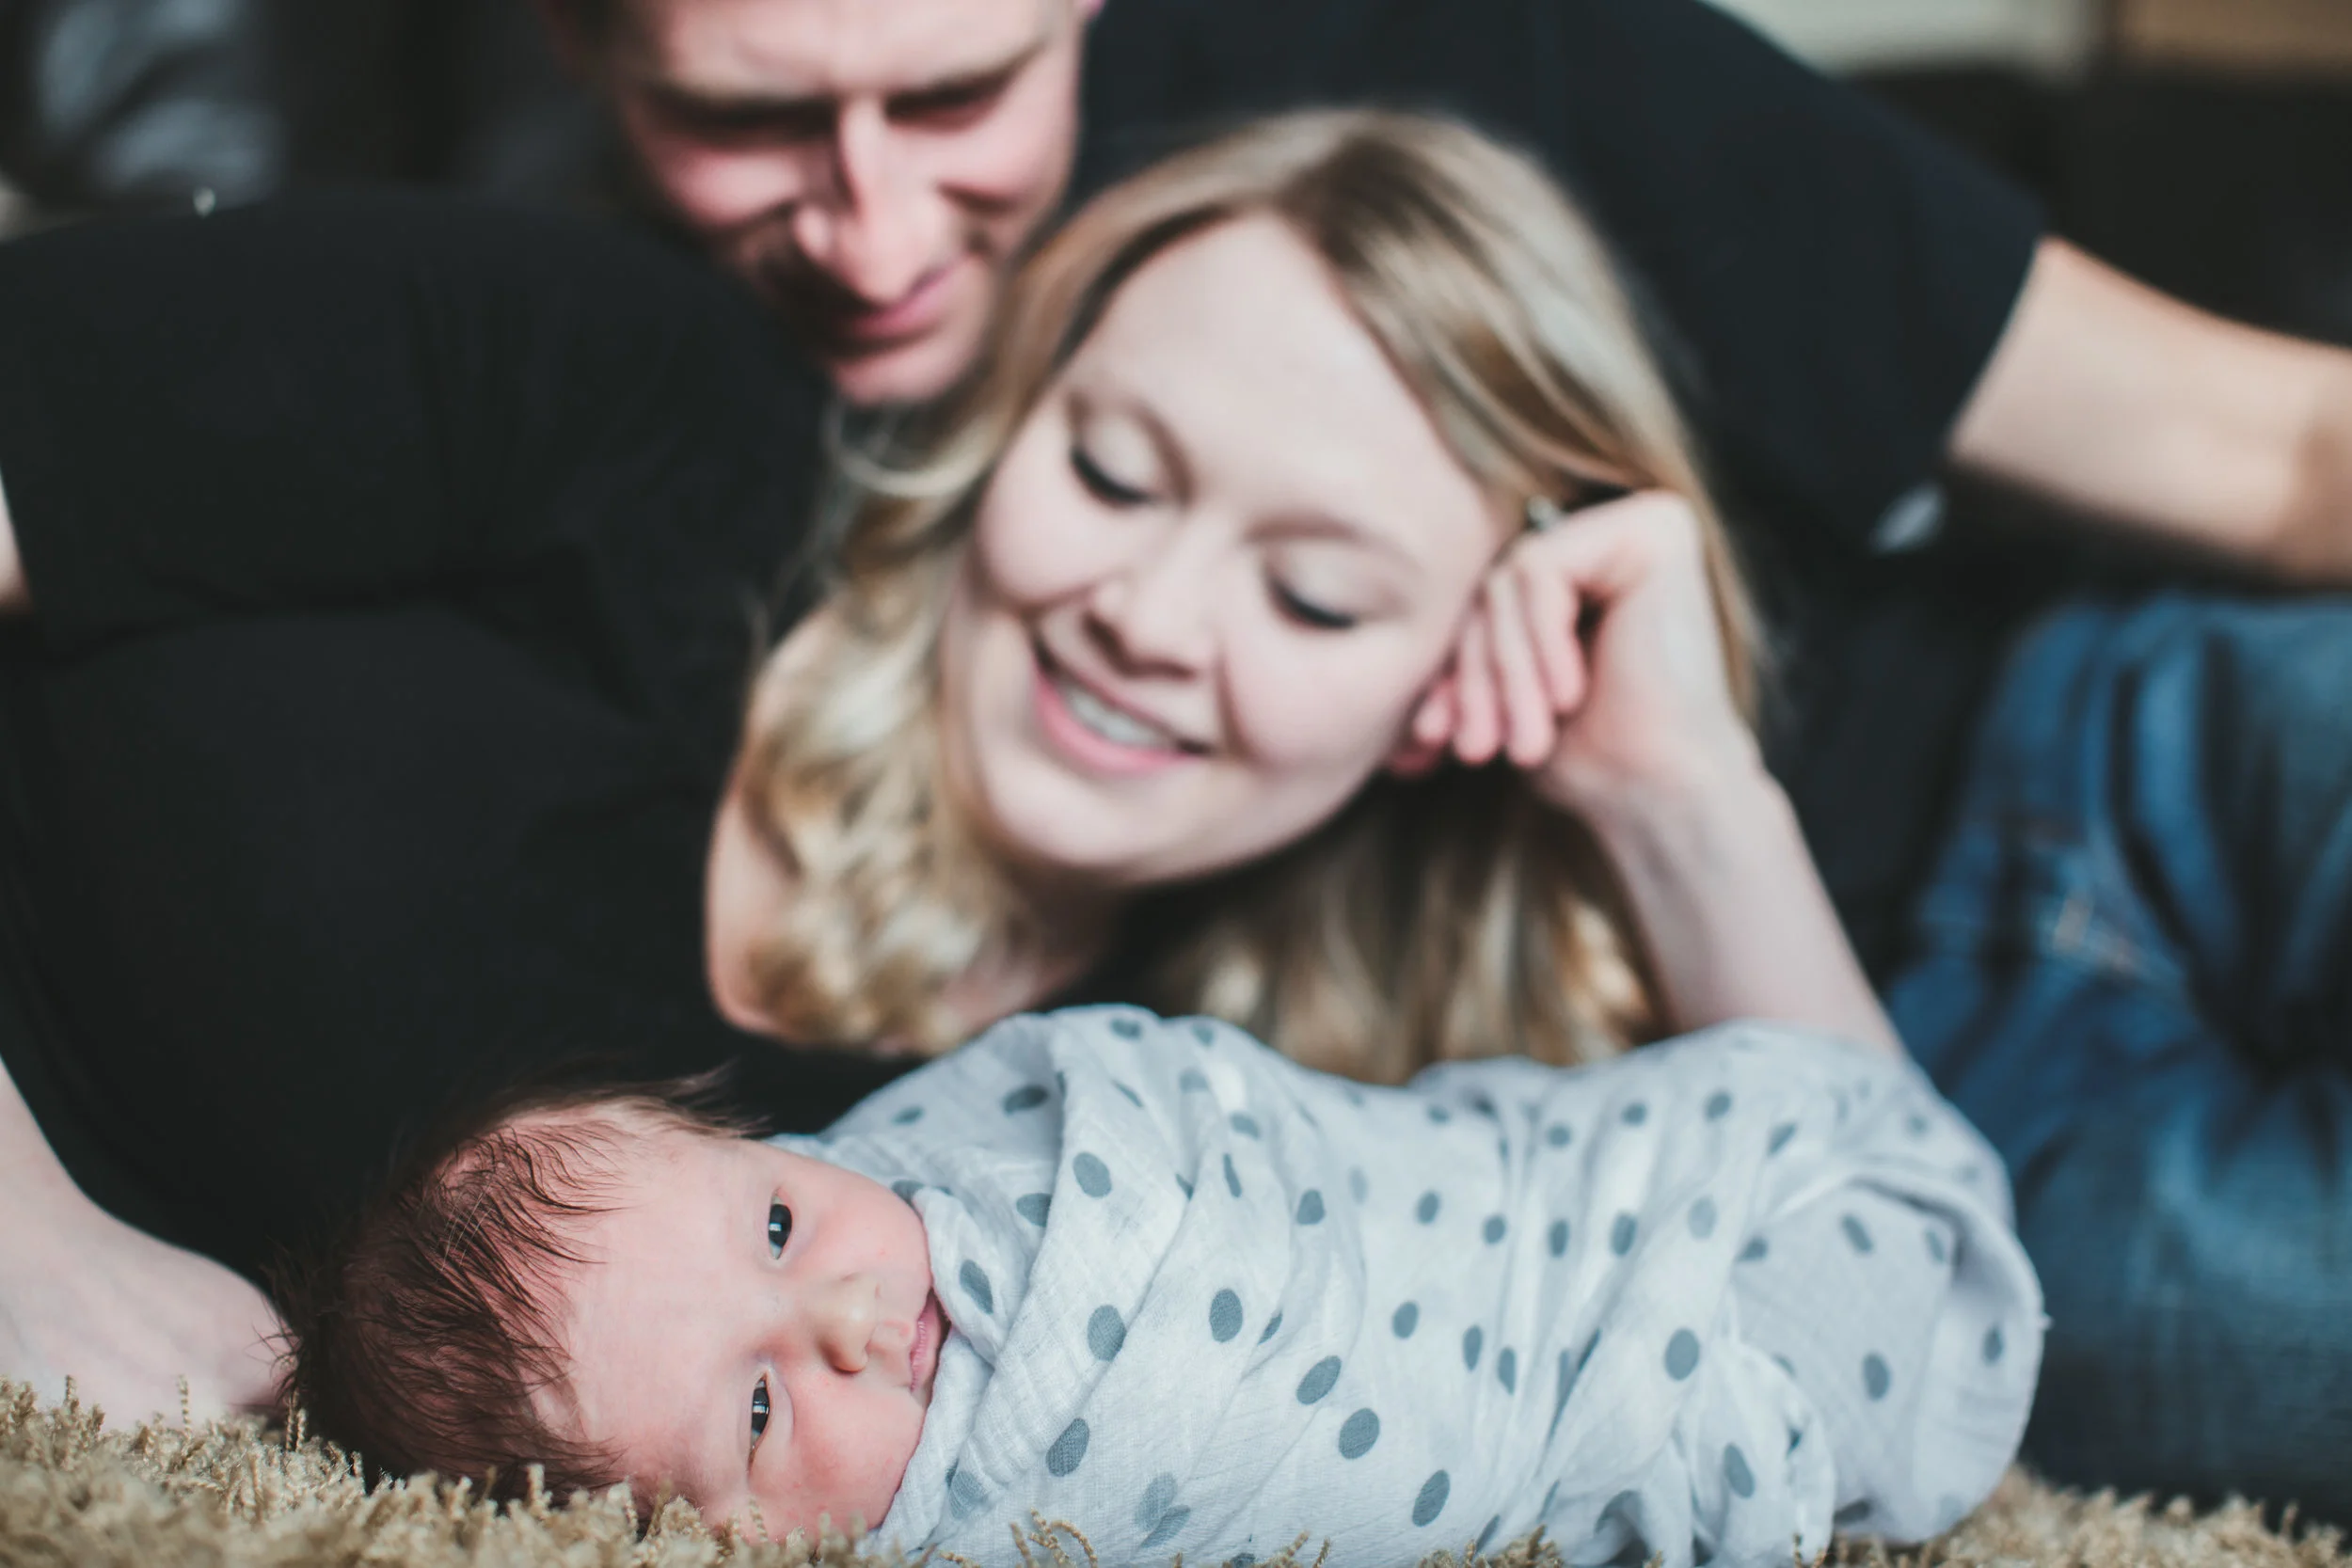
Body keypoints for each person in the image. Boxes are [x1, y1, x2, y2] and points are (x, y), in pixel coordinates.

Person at [0, 107, 1879, 1433]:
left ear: (1444, 688)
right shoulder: (636, 415)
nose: (1143, 611)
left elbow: (1878, 1310)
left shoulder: (1189, 1160)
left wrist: (1681, 794)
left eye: (1309, 595)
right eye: (1113, 474)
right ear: (1006, 424)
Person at [282, 1006, 2042, 1567]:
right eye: (756, 1412)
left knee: (1695, 1143)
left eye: (770, 1227)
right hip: (1597, 1365)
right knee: (1846, 1336)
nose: (839, 1317)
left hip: (1536, 1199)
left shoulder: (940, 1139)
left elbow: (1219, 1105)